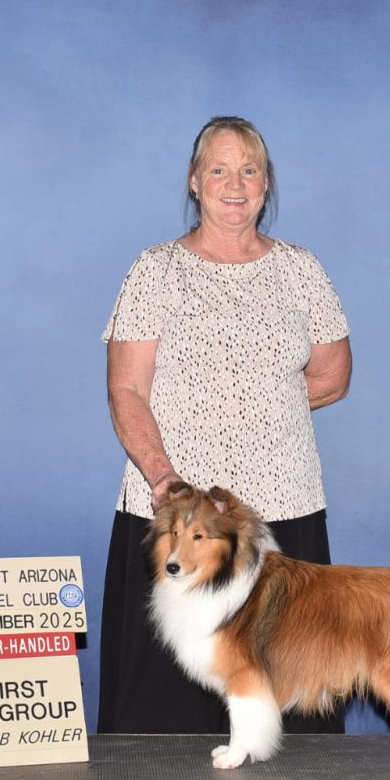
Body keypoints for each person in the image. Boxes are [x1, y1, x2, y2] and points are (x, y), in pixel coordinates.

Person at [98, 116, 351, 735]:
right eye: (219, 169)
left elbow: (332, 377)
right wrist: (164, 479)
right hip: (175, 516)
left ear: (266, 185)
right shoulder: (155, 269)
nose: (234, 183)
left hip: (283, 512)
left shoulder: (302, 271)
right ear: (194, 180)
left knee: (287, 683)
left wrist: (260, 415)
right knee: (159, 710)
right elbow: (126, 388)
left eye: (249, 170)